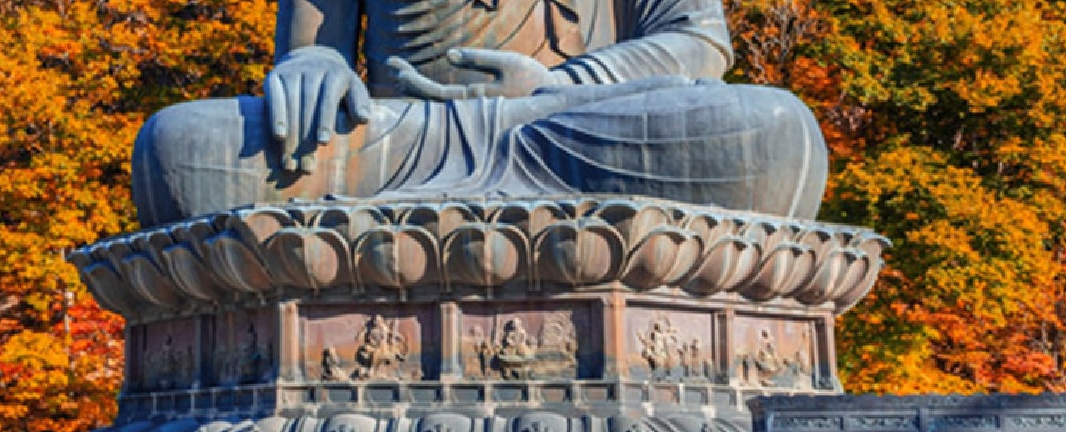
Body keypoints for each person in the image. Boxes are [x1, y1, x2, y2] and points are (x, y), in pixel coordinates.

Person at [131, 0, 831, 227]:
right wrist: (311, 68)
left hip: (571, 128)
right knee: (183, 142)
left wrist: (564, 85)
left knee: (771, 130)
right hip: (399, 137)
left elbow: (698, 42)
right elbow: (311, 53)